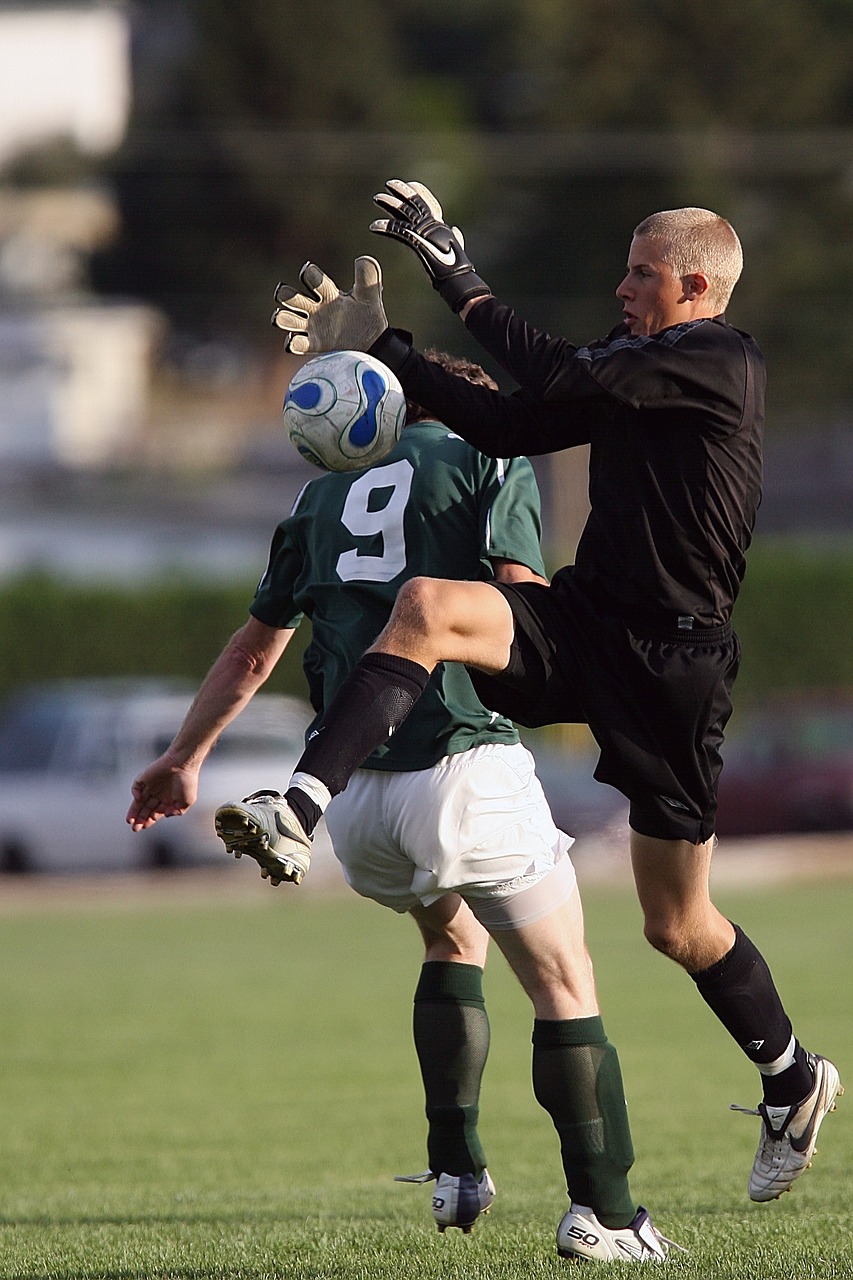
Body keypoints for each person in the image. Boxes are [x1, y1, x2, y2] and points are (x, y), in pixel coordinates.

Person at [248, 181, 842, 1208]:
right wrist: (386, 350)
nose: (620, 286)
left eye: (640, 273)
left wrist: (455, 273)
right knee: (430, 605)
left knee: (677, 923)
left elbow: (551, 373)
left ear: (696, 286)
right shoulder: (635, 366)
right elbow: (506, 423)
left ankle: (792, 1076)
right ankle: (299, 802)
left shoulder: (718, 357)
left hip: (673, 664)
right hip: (584, 625)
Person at [126, 351, 679, 1263]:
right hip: (465, 770)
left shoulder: (314, 501)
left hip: (352, 802)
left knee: (449, 941)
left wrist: (185, 759)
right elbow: (523, 601)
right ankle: (608, 1217)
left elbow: (252, 653)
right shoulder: (485, 461)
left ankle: (455, 1166)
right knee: (563, 981)